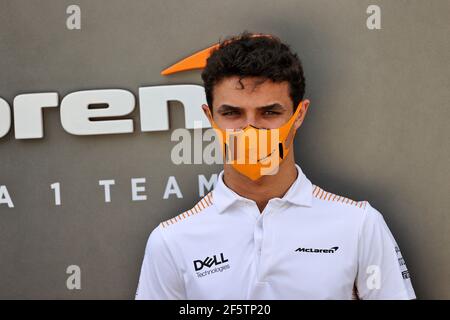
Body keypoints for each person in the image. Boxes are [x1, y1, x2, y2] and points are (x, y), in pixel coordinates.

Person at [135, 31, 416, 300]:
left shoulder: (359, 225)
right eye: (232, 113)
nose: (250, 128)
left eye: (269, 112)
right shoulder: (171, 241)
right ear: (210, 118)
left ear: (299, 114)